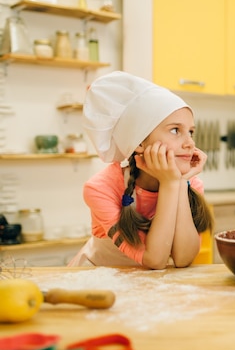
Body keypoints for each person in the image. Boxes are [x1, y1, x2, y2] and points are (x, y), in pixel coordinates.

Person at [68, 71, 213, 269]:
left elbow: (184, 259)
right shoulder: (100, 188)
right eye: (175, 130)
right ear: (140, 142)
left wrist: (178, 183)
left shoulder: (190, 183)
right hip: (99, 280)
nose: (189, 143)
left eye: (191, 132)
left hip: (150, 288)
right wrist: (170, 183)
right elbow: (155, 260)